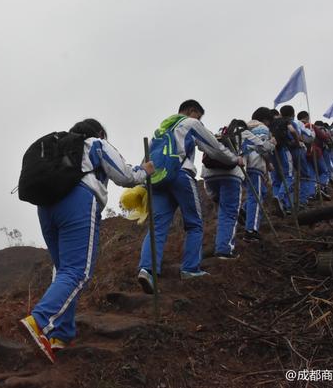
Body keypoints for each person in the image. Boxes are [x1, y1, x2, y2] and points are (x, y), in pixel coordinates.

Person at [19, 118, 154, 364]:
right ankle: (39, 321)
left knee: (64, 271)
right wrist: (144, 171)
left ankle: (61, 335)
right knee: (77, 272)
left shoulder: (57, 149)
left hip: (46, 208)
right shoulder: (94, 143)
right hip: (78, 201)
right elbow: (124, 176)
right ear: (99, 133)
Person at [136, 100, 242, 293]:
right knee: (194, 223)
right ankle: (190, 269)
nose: (200, 120)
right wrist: (235, 159)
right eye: (199, 116)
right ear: (193, 112)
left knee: (157, 225)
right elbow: (214, 148)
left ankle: (147, 269)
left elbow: (145, 160)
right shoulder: (191, 123)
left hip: (158, 179)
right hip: (181, 175)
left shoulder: (160, 130)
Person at [201, 117, 274, 256]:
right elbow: (264, 148)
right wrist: (272, 143)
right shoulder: (244, 133)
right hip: (231, 174)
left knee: (224, 208)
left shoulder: (220, 133)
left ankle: (222, 243)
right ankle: (224, 250)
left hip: (209, 176)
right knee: (229, 213)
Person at [242, 107, 276, 242]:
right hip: (255, 164)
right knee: (255, 196)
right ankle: (251, 230)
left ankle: (244, 212)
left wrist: (268, 164)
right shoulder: (262, 128)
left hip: (243, 164)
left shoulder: (245, 127)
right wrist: (272, 143)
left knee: (258, 194)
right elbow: (263, 148)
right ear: (266, 119)